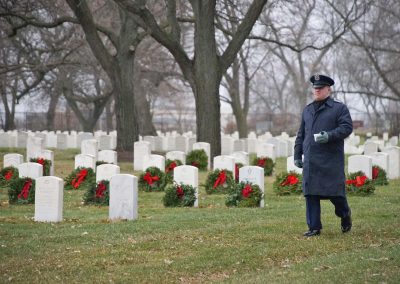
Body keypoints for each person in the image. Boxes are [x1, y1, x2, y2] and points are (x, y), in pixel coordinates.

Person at [294, 74, 353, 237]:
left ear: (328, 89)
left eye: (320, 88)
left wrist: (329, 135)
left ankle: (345, 213)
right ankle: (314, 227)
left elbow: (347, 127)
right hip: (311, 160)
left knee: (335, 194)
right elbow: (301, 135)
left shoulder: (339, 108)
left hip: (330, 160)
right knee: (310, 193)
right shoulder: (307, 110)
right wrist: (297, 154)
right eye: (315, 88)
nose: (317, 91)